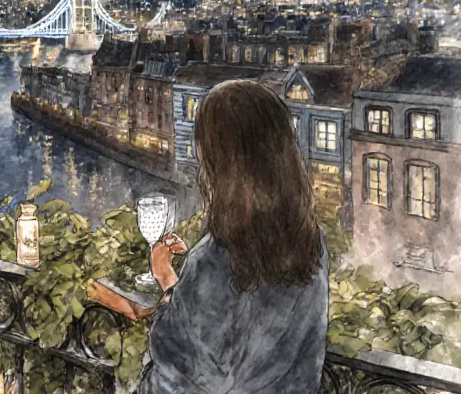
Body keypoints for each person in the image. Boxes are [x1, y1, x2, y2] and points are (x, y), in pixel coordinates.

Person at [89, 79, 329, 394]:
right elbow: (235, 337)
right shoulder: (311, 241)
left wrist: (167, 294)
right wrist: (167, 278)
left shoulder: (216, 256)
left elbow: (188, 367)